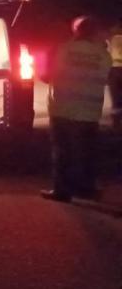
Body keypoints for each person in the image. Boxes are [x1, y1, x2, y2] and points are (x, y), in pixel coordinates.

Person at [43, 15, 112, 202]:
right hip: (89, 113)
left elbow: (45, 76)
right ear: (96, 31)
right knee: (87, 153)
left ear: (76, 31)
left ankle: (62, 191)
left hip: (62, 110)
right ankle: (87, 189)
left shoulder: (62, 49)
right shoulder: (103, 55)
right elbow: (107, 77)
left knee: (63, 152)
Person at [109, 18, 122, 131]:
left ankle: (116, 125)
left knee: (116, 99)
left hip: (114, 70)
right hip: (116, 70)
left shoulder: (113, 39)